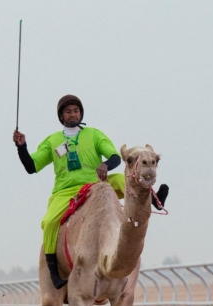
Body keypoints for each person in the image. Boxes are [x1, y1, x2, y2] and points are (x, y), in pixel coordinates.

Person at [13, 94, 169, 289]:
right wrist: (22, 147)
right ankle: (53, 270)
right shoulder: (52, 141)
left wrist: (104, 165)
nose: (73, 114)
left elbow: (113, 156)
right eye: (68, 112)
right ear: (61, 116)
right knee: (50, 221)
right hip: (66, 191)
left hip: (97, 184)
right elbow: (31, 166)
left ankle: (155, 199)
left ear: (81, 113)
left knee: (123, 179)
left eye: (76, 111)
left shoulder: (94, 134)